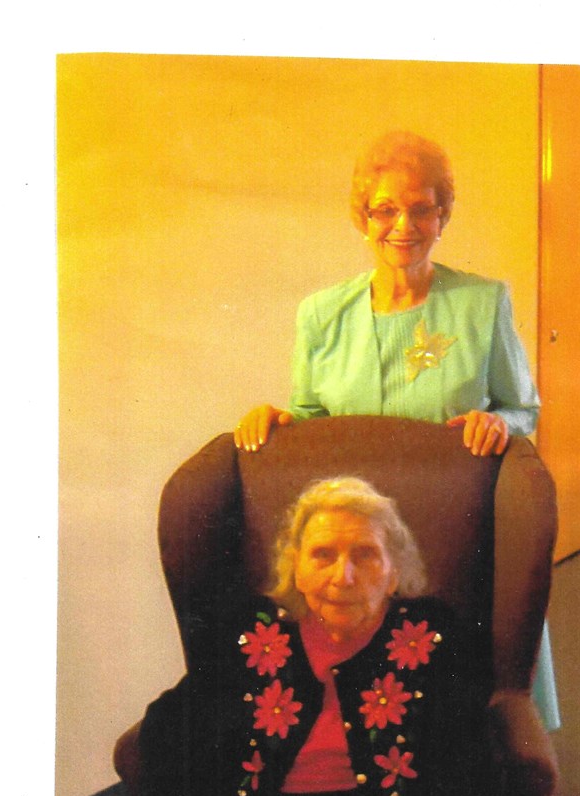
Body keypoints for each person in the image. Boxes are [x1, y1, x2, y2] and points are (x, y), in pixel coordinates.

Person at [232, 128, 559, 729]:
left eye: (421, 209)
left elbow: (524, 409)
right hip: (363, 554)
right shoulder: (321, 314)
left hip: (456, 535)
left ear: (442, 217)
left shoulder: (483, 302)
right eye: (385, 209)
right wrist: (278, 420)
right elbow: (312, 416)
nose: (402, 225)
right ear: (363, 218)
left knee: (463, 721)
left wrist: (496, 420)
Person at [143, 477, 491, 796]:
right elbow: (168, 728)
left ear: (395, 571)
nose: (342, 576)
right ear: (296, 567)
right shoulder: (253, 632)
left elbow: (472, 771)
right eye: (323, 555)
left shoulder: (436, 636)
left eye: (365, 555)